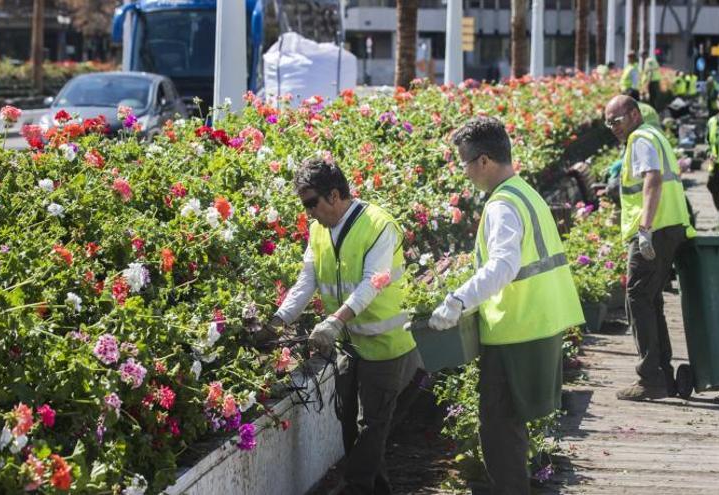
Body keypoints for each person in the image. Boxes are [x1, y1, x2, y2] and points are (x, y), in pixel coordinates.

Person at [427, 117, 584, 494]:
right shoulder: (524, 193)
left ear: (483, 161)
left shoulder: (501, 205)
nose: (464, 173)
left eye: (465, 163)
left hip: (517, 329)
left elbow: (503, 265)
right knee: (511, 426)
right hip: (539, 322)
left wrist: (457, 300)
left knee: (499, 430)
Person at [267, 159, 422, 495]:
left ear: (334, 195)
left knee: (374, 423)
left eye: (312, 204)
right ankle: (374, 487)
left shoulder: (378, 225)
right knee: (347, 416)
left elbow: (372, 283)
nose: (308, 213)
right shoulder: (319, 230)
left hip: (386, 342)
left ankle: (356, 486)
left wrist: (335, 321)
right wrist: (278, 320)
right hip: (349, 342)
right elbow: (307, 280)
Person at [604, 95, 695, 401]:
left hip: (654, 230)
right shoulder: (653, 135)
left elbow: (652, 181)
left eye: (616, 120)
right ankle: (663, 376)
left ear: (633, 114)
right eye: (608, 123)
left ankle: (650, 377)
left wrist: (644, 229)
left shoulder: (641, 138)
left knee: (637, 298)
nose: (613, 127)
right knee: (650, 299)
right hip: (669, 226)